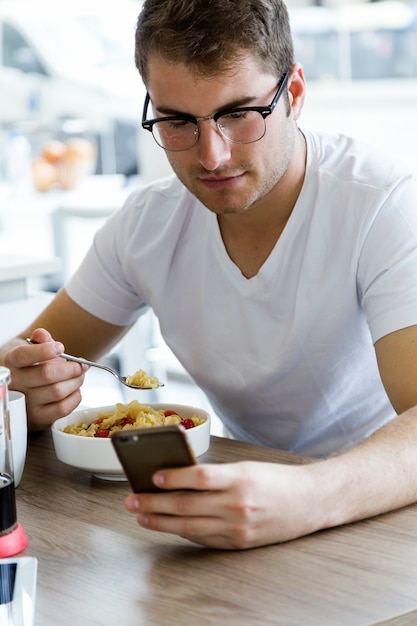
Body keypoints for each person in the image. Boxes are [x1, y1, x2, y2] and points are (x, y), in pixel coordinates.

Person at [2, 0, 417, 550]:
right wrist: (22, 396)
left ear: (293, 94)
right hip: (238, 499)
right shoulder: (147, 223)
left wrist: (309, 494)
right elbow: (27, 361)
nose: (213, 156)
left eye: (240, 113)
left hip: (381, 504)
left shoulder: (382, 204)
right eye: (177, 122)